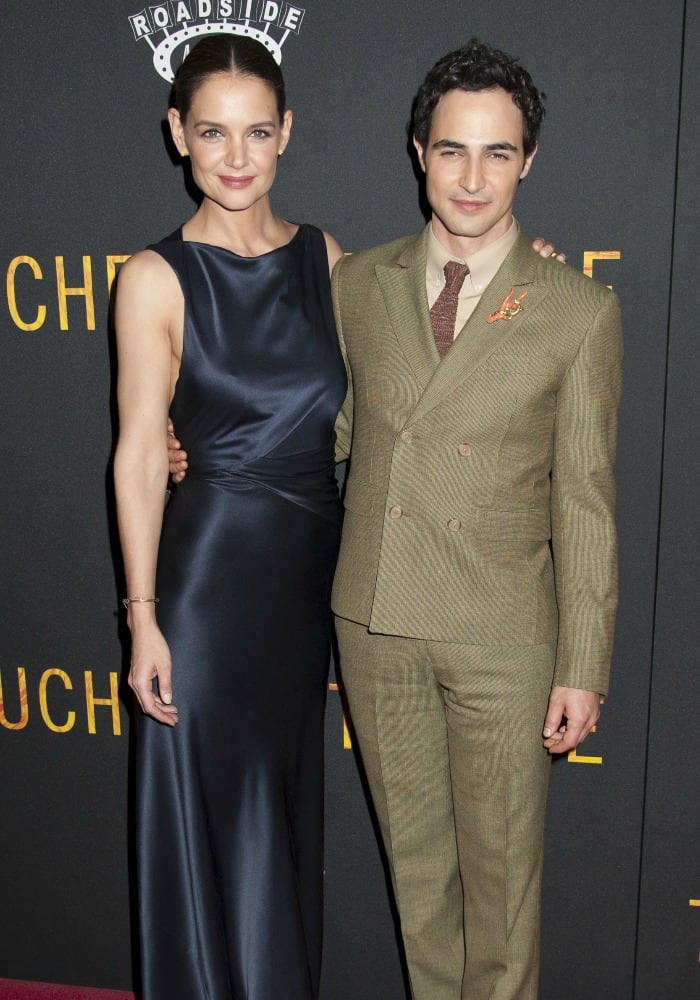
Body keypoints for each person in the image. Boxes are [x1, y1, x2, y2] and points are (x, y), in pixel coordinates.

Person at [328, 39, 622, 999]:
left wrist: (583, 662)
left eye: (498, 153)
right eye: (453, 149)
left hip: (502, 638)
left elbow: (584, 496)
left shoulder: (577, 309)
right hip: (378, 624)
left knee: (502, 902)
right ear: (419, 149)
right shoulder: (355, 285)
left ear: (528, 160)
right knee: (422, 891)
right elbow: (318, 430)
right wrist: (194, 444)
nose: (472, 176)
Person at [113, 35, 346, 999]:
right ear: (179, 134)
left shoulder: (327, 259)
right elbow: (136, 450)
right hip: (208, 593)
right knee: (219, 822)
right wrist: (143, 616)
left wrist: (529, 258)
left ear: (287, 131)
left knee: (279, 823)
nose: (237, 155)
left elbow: (430, 334)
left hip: (303, 598)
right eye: (213, 131)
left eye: (257, 131)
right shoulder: (155, 278)